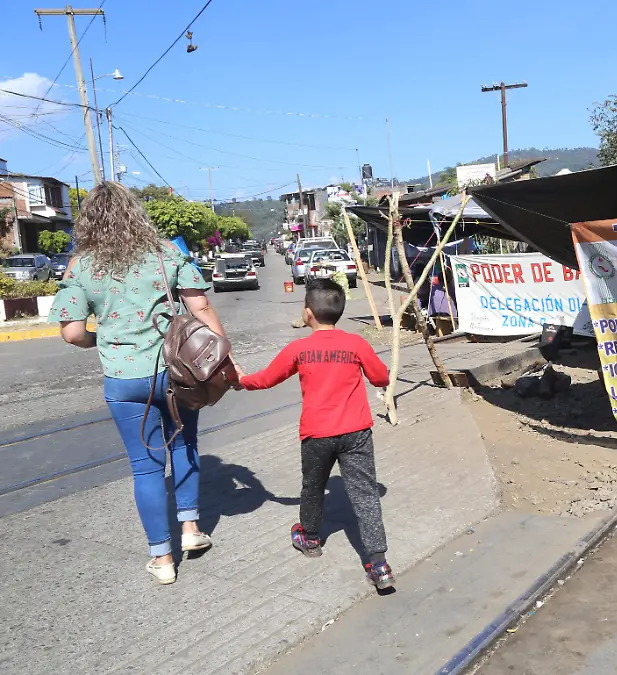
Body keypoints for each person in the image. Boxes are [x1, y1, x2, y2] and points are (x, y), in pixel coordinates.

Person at [49, 181, 232, 585]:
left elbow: (73, 333)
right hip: (175, 372)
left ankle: (162, 560)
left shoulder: (80, 266)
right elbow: (200, 307)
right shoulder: (167, 253)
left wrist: (106, 339)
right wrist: (224, 356)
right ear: (135, 213)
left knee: (145, 468)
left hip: (123, 380)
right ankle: (190, 531)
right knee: (185, 444)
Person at [236, 279, 396, 589]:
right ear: (340, 311)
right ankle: (379, 564)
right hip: (357, 432)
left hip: (316, 434)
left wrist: (242, 379)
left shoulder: (299, 348)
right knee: (364, 495)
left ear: (308, 314)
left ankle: (310, 538)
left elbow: (267, 379)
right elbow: (381, 378)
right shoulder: (356, 344)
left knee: (312, 487)